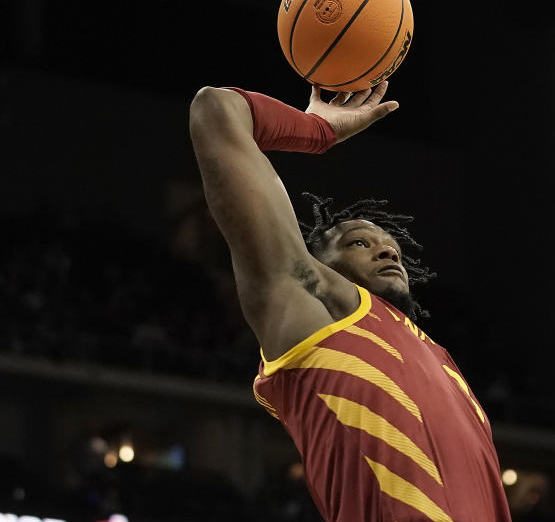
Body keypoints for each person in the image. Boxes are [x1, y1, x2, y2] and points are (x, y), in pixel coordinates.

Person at [188, 81, 511, 522]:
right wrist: (316, 129)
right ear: (320, 264)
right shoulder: (308, 302)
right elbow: (216, 110)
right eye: (359, 242)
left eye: (391, 245)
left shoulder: (443, 362)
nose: (388, 250)